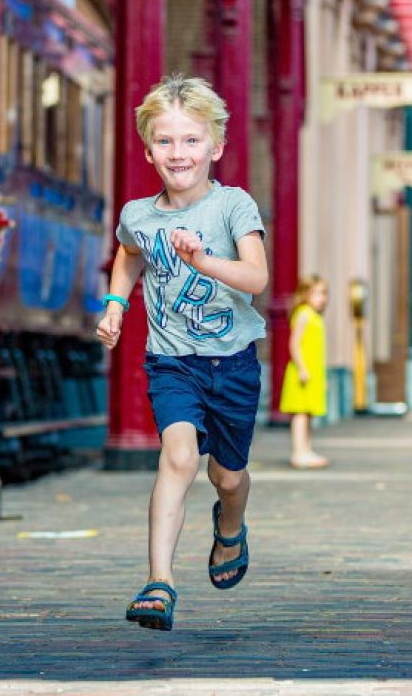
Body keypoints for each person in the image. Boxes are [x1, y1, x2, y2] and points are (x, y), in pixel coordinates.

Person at [97, 74, 270, 632]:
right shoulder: (139, 215)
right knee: (177, 457)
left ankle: (231, 527)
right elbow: (128, 254)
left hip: (234, 364)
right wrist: (116, 304)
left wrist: (202, 262)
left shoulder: (233, 206)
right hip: (172, 362)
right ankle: (159, 582)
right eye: (166, 142)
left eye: (192, 141)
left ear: (215, 147)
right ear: (149, 150)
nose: (179, 153)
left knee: (227, 478)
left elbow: (256, 277)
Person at [280, 275, 331, 469]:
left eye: (324, 293)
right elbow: (295, 344)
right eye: (317, 293)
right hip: (302, 372)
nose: (322, 298)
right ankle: (299, 452)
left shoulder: (315, 316)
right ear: (305, 294)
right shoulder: (303, 313)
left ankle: (307, 449)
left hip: (313, 372)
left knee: (309, 414)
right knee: (300, 414)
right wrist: (302, 367)